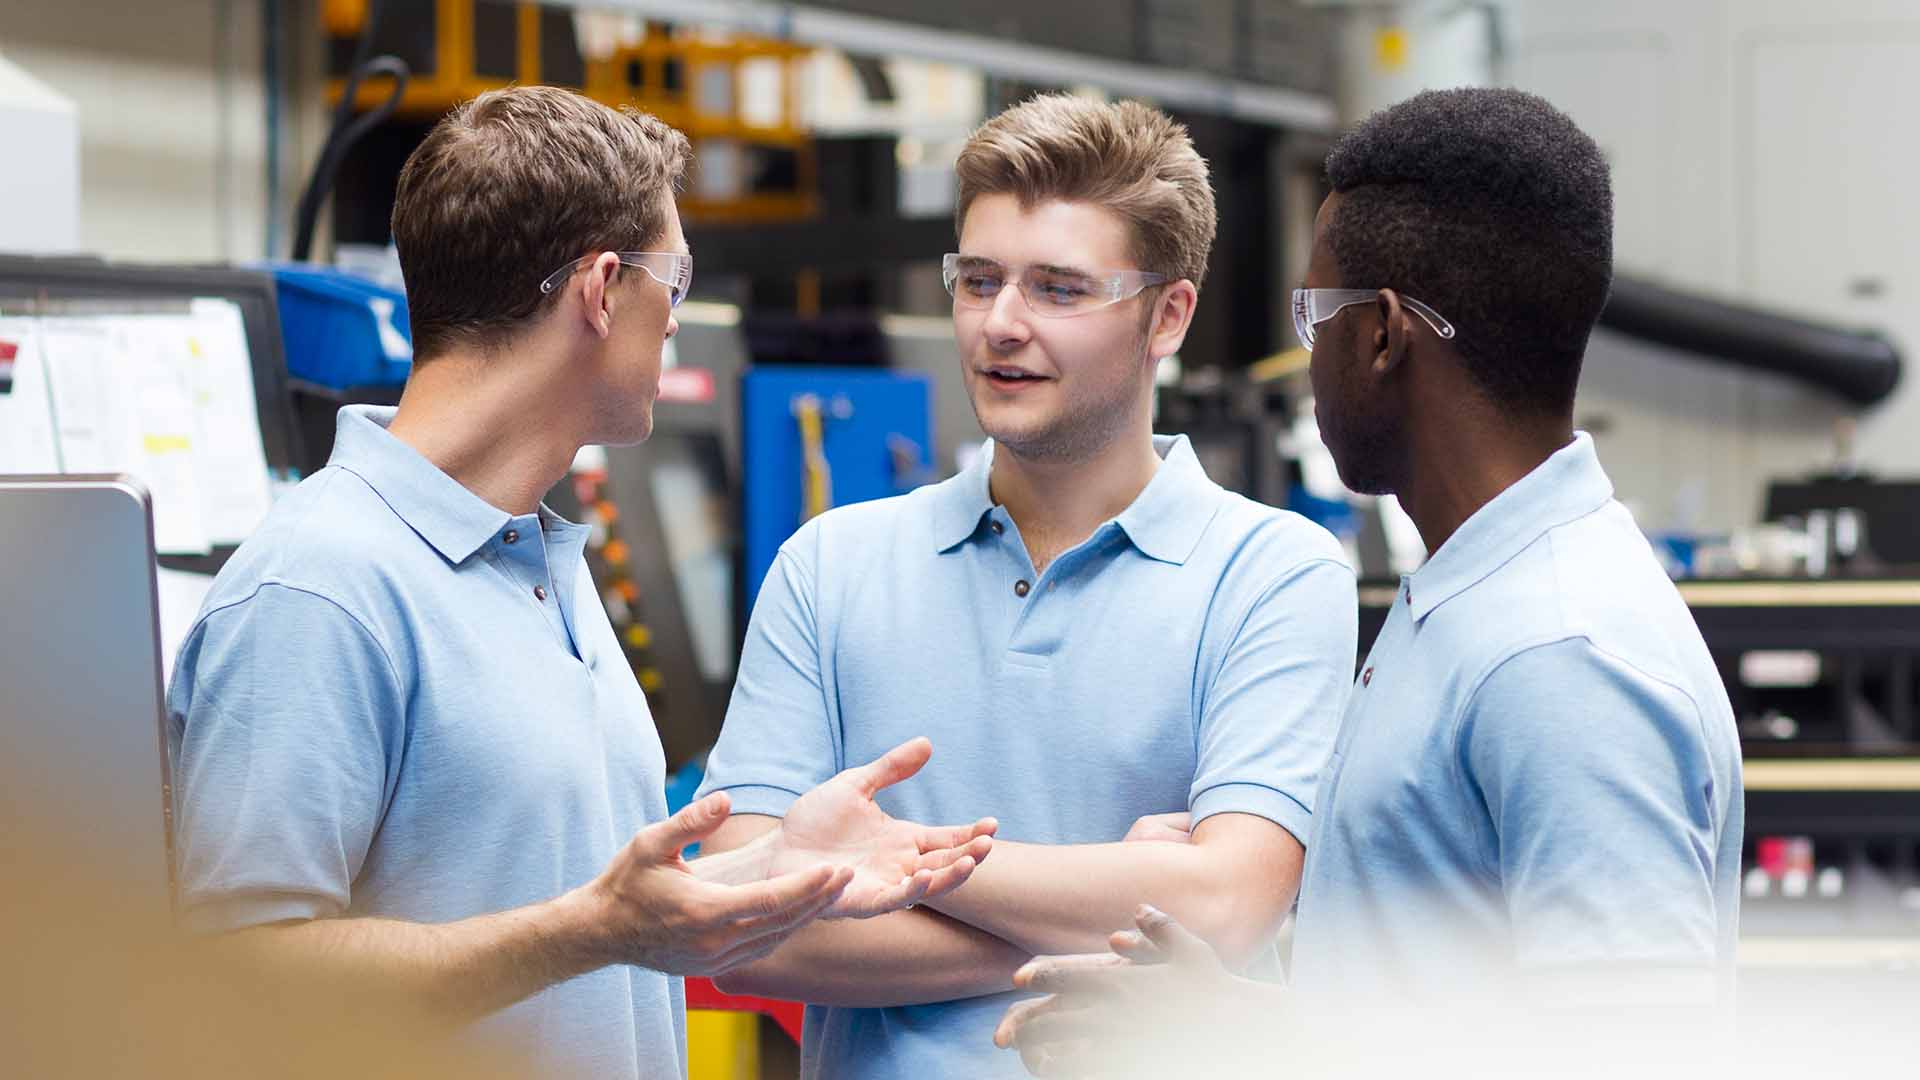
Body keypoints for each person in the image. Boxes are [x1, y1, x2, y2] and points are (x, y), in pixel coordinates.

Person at [165, 85, 994, 1080]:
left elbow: (566, 897)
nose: (676, 325)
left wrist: (775, 869)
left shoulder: (542, 562)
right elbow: (237, 985)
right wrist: (589, 932)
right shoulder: (321, 588)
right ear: (602, 291)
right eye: (674, 283)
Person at [999, 86, 1744, 1073]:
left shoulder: (1558, 656)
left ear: (1384, 335)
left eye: (1318, 314)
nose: (1311, 359)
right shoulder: (1472, 595)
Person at [692, 93, 1358, 1079]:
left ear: (1167, 314)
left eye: (1058, 288)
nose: (1001, 324)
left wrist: (886, 860)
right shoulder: (830, 567)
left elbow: (1225, 906)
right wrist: (1115, 906)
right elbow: (733, 929)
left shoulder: (1272, 577)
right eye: (978, 280)